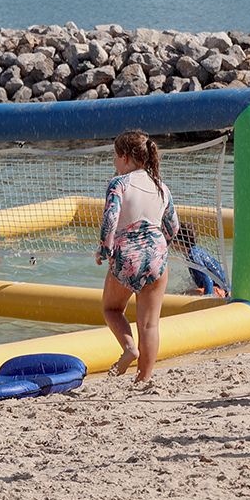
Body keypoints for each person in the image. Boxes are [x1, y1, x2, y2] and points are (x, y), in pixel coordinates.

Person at [97, 130, 180, 385]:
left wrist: (104, 248)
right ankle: (143, 379)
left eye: (114, 156)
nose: (114, 162)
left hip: (128, 254)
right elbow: (173, 227)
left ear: (124, 157)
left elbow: (111, 218)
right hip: (156, 255)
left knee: (111, 309)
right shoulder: (161, 187)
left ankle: (129, 348)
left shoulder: (119, 183)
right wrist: (158, 246)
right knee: (150, 324)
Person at [170, 222, 229, 298]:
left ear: (178, 242)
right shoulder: (194, 251)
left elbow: (207, 280)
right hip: (223, 289)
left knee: (181, 295)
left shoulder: (193, 256)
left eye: (172, 239)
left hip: (219, 290)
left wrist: (207, 299)